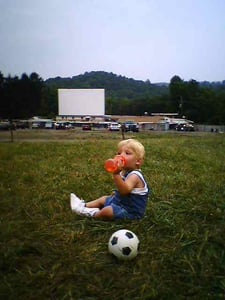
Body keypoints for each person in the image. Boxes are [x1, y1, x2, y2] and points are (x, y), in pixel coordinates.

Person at [70, 138, 150, 220]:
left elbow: (124, 191)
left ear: (138, 161)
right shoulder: (124, 172)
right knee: (104, 199)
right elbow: (120, 188)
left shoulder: (135, 176)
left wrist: (116, 174)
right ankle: (83, 205)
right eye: (119, 153)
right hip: (120, 202)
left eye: (127, 153)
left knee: (107, 211)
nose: (121, 156)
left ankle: (91, 213)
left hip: (130, 211)